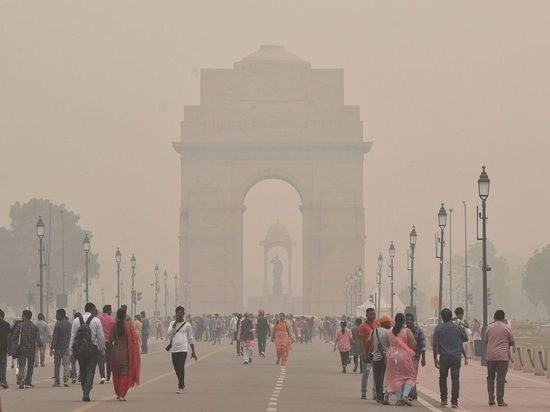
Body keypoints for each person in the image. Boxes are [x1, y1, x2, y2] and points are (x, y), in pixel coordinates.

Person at [69, 302, 105, 402]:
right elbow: (101, 337)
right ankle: (86, 392)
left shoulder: (76, 320)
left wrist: (71, 352)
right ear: (92, 309)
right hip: (92, 349)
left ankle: (84, 389)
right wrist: (102, 350)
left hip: (79, 350)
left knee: (82, 369)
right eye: (95, 309)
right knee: (90, 371)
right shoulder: (96, 320)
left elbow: (72, 337)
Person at [433, 308, 469, 408]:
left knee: (443, 378)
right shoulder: (458, 327)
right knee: (455, 379)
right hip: (456, 357)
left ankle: (444, 399)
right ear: (451, 316)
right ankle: (454, 402)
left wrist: (435, 358)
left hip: (444, 357)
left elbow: (435, 344)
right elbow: (466, 338)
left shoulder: (438, 328)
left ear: (442, 317)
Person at [384, 313, 417, 406]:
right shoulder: (406, 331)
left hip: (391, 356)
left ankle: (398, 400)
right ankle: (405, 396)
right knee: (410, 376)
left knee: (396, 377)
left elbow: (388, 344)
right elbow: (413, 344)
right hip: (404, 356)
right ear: (404, 321)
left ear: (395, 320)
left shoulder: (390, 331)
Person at [109, 308, 141, 401]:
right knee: (124, 374)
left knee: (116, 374)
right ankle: (122, 394)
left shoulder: (114, 326)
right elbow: (133, 341)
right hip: (126, 354)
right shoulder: (129, 327)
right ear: (125, 315)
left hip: (115, 353)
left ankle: (118, 393)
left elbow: (110, 340)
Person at [485, 310, 514, 407]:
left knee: (490, 377)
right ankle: (500, 400)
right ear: (503, 318)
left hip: (491, 356)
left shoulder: (489, 327)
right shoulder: (507, 328)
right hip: (502, 356)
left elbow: (485, 341)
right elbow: (511, 342)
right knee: (501, 378)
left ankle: (490, 399)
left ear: (494, 317)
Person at [167, 306, 197, 394]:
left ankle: (180, 386)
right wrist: (175, 323)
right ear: (175, 314)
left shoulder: (188, 325)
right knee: (176, 368)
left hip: (183, 349)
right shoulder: (172, 323)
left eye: (181, 313)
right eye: (177, 313)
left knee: (181, 367)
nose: (179, 314)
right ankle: (182, 383)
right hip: (174, 349)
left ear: (183, 314)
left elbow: (191, 338)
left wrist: (193, 352)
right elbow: (169, 333)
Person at [12, 310, 42, 389]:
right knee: (30, 366)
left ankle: (21, 379)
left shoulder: (20, 325)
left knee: (22, 365)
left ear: (24, 316)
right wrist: (40, 347)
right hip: (32, 349)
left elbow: (14, 336)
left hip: (22, 349)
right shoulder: (34, 327)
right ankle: (28, 382)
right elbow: (38, 340)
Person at [368, 315, 391, 404]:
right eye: (389, 322)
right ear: (385, 323)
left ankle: (378, 395)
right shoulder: (388, 332)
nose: (390, 323)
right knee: (385, 378)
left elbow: (369, 342)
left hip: (376, 358)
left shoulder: (374, 331)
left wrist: (367, 353)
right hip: (386, 358)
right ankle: (382, 395)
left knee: (377, 377)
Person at [358, 308, 379, 400]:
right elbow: (361, 342)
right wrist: (364, 354)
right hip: (367, 353)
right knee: (366, 373)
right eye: (371, 314)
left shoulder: (377, 324)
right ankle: (363, 391)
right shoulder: (362, 326)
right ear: (366, 315)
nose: (373, 316)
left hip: (376, 353)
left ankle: (375, 392)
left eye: (374, 314)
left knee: (376, 374)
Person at [405, 313, 426, 400]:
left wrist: (423, 358)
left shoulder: (418, 331)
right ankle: (413, 393)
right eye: (407, 319)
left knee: (413, 375)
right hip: (405, 357)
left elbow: (422, 345)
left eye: (410, 319)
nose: (408, 321)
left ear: (413, 320)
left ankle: (411, 393)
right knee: (407, 375)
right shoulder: (403, 330)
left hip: (415, 357)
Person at [50, 308, 72, 387]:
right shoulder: (69, 324)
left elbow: (55, 337)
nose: (56, 316)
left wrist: (52, 348)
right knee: (66, 364)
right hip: (66, 347)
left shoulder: (58, 324)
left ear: (60, 315)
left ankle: (57, 381)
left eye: (57, 314)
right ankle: (66, 380)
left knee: (57, 365)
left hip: (58, 348)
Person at [98, 305, 115, 384]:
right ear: (108, 311)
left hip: (100, 342)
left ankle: (102, 377)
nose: (111, 312)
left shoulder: (99, 319)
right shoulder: (112, 320)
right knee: (109, 360)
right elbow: (114, 331)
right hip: (109, 342)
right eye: (110, 310)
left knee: (101, 360)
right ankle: (108, 377)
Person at [0, 309, 11, 389]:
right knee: (3, 364)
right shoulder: (6, 324)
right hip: (3, 348)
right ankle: (3, 381)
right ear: (3, 316)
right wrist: (9, 348)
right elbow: (8, 337)